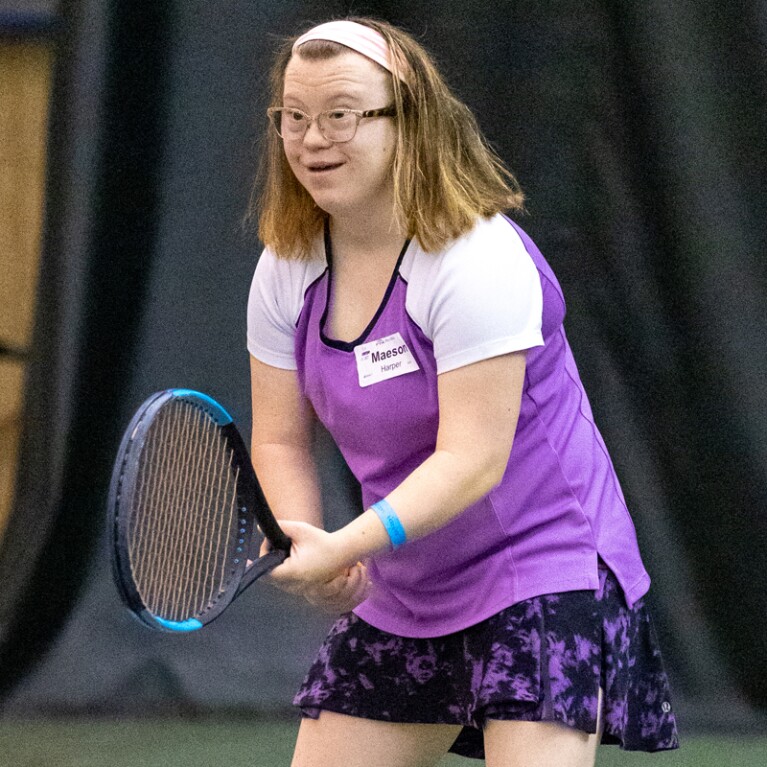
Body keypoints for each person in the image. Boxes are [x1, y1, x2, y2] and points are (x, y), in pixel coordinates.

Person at [246, 16, 679, 767]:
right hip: (409, 583)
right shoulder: (287, 266)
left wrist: (345, 544)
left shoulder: (476, 259)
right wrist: (303, 540)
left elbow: (472, 459)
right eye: (294, 117)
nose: (313, 139)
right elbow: (282, 436)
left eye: (342, 114)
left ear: (406, 117)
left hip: (543, 568)